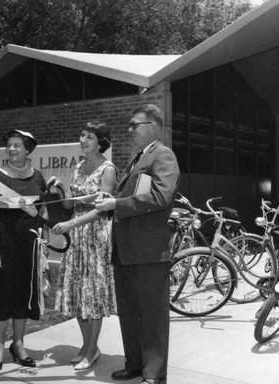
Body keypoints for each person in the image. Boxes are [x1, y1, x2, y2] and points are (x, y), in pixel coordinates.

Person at [95, 104, 180, 384]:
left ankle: (154, 375)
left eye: (135, 125)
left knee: (153, 318)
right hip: (127, 252)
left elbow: (161, 197)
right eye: (131, 125)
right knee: (130, 314)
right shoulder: (138, 157)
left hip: (148, 253)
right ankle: (134, 364)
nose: (130, 130)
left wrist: (116, 204)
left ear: (152, 127)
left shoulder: (163, 155)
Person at [49, 121, 117, 370]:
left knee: (93, 294)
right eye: (82, 135)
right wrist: (58, 189)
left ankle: (91, 351)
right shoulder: (78, 166)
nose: (83, 140)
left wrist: (70, 224)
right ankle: (88, 345)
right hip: (77, 236)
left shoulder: (108, 169)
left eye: (89, 137)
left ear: (101, 142)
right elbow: (71, 204)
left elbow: (101, 210)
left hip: (95, 237)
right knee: (78, 292)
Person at [0, 129, 48, 373]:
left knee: (23, 293)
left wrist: (45, 244)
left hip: (29, 244)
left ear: (27, 150)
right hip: (5, 242)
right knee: (2, 293)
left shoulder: (38, 177)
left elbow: (43, 212)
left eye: (17, 145)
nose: (11, 149)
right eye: (9, 145)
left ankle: (18, 344)